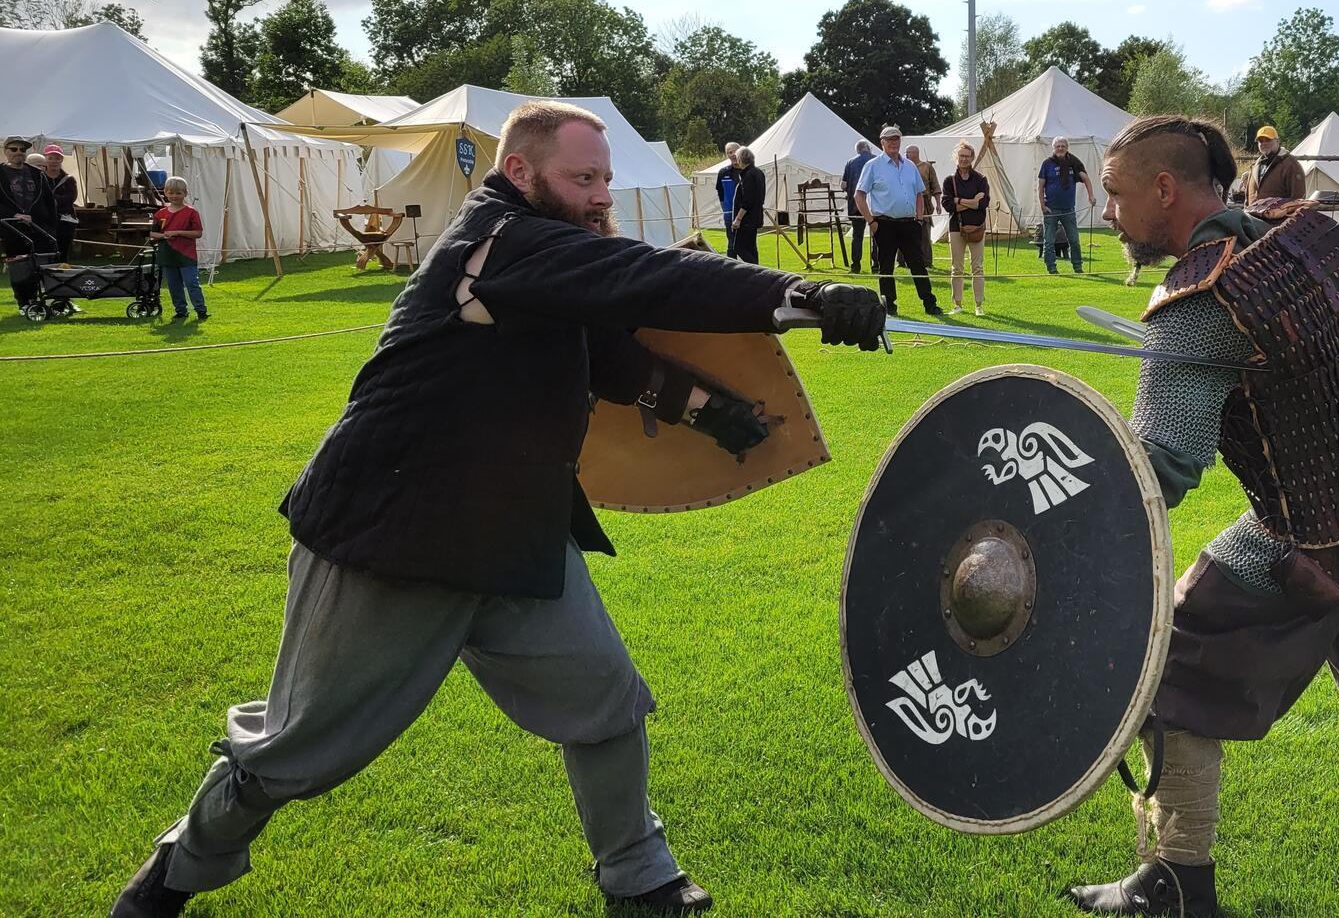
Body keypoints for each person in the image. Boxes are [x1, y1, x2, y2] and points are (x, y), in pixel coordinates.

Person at [110, 101, 888, 918]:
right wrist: (804, 294)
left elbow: (611, 357)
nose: (599, 195)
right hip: (400, 529)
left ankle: (639, 878)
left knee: (605, 701)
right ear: (521, 172)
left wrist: (709, 408)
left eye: (606, 179)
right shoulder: (502, 242)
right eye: (582, 178)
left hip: (517, 528)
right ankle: (176, 871)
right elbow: (650, 277)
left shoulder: (553, 262)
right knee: (301, 749)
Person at [1067, 115, 1339, 917]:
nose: (1106, 212)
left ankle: (1175, 883)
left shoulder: (1196, 305)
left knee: (1168, 661)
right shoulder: (1307, 235)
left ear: (1165, 189)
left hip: (1315, 540)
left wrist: (1072, 518)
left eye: (1115, 193)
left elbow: (1165, 464)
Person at [854, 125, 941, 316]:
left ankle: (929, 303)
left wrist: (918, 219)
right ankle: (889, 305)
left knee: (918, 264)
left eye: (896, 139)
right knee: (886, 266)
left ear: (900, 141)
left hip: (909, 224)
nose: (894, 142)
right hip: (884, 224)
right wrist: (871, 221)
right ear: (882, 142)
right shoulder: (873, 166)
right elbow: (859, 195)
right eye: (889, 139)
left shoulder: (910, 166)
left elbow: (919, 194)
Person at [2, 134, 59, 312]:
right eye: (14, 149)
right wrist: (14, 214)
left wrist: (48, 225)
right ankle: (24, 302)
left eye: (23, 149)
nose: (19, 152)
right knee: (19, 267)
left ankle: (38, 299)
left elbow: (50, 203)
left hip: (38, 227)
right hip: (11, 227)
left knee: (41, 266)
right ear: (6, 152)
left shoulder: (37, 174)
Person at [150, 178, 209, 321]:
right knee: (174, 285)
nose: (174, 196)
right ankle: (181, 311)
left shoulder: (191, 212)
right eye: (171, 193)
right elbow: (152, 233)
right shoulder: (160, 214)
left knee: (191, 283)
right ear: (165, 193)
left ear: (185, 194)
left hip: (186, 255)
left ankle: (201, 310)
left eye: (178, 193)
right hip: (168, 254)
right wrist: (164, 235)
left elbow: (198, 233)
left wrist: (178, 232)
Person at [942, 140, 989, 316]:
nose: (964, 159)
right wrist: (971, 201)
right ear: (956, 157)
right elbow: (948, 205)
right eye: (961, 156)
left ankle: (979, 305)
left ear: (972, 158)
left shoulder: (980, 180)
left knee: (977, 267)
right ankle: (958, 304)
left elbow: (983, 204)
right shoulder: (949, 181)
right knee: (957, 267)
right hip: (956, 227)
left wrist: (959, 200)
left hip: (977, 227)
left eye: (967, 156)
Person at [1037, 136, 1094, 274]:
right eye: (1058, 146)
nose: (1060, 148)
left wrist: (1091, 196)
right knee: (1049, 241)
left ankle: (1078, 267)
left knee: (1074, 239)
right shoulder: (1047, 164)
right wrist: (1042, 205)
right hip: (1051, 208)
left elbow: (1085, 178)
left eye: (1063, 146)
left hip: (1069, 209)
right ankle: (1051, 267)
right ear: (1053, 148)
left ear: (1067, 147)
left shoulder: (1073, 162)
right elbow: (1040, 185)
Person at [1244, 124, 1306, 205]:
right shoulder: (1255, 166)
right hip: (1253, 216)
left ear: (1277, 141)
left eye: (1268, 140)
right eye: (1261, 141)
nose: (1264, 143)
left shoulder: (1291, 164)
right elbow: (1248, 198)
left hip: (1280, 217)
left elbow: (1298, 198)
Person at [840, 140, 875, 273]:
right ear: (867, 148)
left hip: (856, 206)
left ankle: (856, 266)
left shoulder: (850, 162)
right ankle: (876, 265)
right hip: (873, 205)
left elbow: (844, 185)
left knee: (857, 236)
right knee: (876, 237)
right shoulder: (876, 160)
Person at [904, 144, 940, 266]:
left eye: (908, 152)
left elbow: (935, 186)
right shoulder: (902, 166)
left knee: (924, 233)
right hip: (906, 202)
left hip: (924, 202)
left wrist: (938, 204)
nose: (906, 155)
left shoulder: (927, 167)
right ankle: (902, 261)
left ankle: (926, 261)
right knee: (903, 231)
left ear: (915, 153)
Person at [730, 146, 766, 265]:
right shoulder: (758, 172)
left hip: (747, 219)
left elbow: (748, 201)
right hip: (755, 217)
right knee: (751, 248)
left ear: (740, 159)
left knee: (738, 247)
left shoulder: (749, 175)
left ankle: (756, 271)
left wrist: (738, 219)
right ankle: (758, 273)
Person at [43, 145, 79, 262]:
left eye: (57, 158)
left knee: (63, 252)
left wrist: (53, 200)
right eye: (51, 158)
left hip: (65, 222)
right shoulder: (39, 177)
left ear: (61, 160)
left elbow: (71, 197)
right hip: (45, 221)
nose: (54, 161)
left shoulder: (69, 179)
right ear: (45, 159)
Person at [716, 142, 742, 258]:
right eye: (729, 152)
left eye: (734, 151)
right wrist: (726, 210)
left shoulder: (750, 171)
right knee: (731, 246)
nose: (732, 154)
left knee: (748, 246)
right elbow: (720, 193)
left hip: (747, 216)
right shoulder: (723, 173)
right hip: (729, 216)